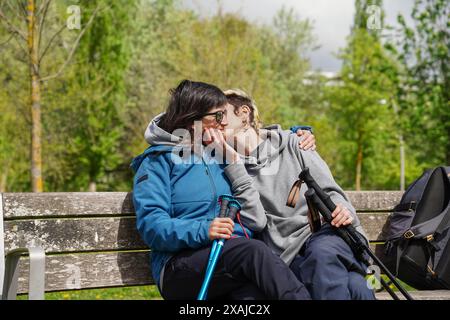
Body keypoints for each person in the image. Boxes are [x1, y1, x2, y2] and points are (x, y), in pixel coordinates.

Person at [131, 80, 314, 300]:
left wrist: (297, 134)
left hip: (230, 262)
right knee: (253, 251)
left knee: (255, 295)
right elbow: (152, 225)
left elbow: (258, 140)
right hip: (179, 266)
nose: (224, 122)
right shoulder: (158, 161)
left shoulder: (220, 153)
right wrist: (204, 229)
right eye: (218, 116)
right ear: (192, 120)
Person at [206, 88, 376, 300]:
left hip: (329, 235)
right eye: (214, 117)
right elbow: (256, 221)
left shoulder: (295, 143)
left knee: (322, 255)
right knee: (357, 287)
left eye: (222, 114)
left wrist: (344, 211)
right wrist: (234, 165)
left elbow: (331, 190)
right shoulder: (228, 169)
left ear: (244, 113)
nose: (217, 122)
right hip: (289, 255)